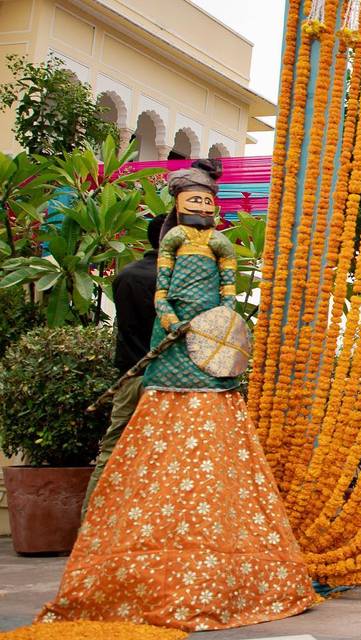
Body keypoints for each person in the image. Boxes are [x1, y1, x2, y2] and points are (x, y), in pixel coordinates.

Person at [39, 160, 314, 631]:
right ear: (173, 216)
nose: (201, 208)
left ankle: (91, 532)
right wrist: (173, 321)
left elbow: (224, 299)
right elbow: (169, 297)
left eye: (206, 200)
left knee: (119, 453)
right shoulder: (158, 266)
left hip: (170, 366)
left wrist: (213, 322)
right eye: (194, 200)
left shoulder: (133, 274)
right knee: (132, 453)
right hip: (162, 367)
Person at [80, 214, 165, 519]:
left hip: (130, 375)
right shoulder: (176, 280)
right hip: (167, 382)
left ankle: (89, 524)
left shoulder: (126, 275)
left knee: (111, 452)